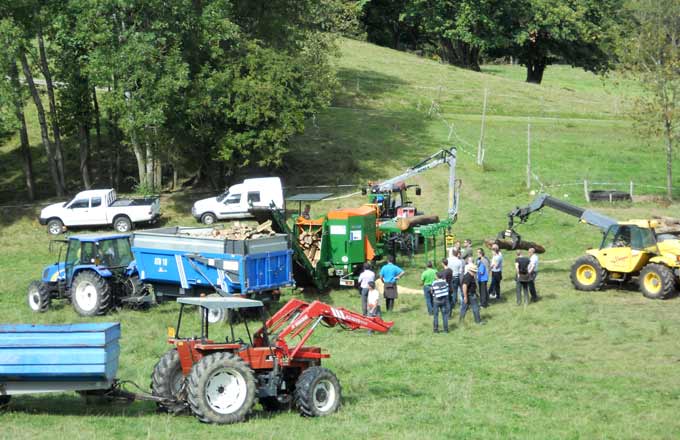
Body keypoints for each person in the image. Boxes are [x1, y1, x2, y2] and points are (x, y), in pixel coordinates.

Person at [448, 249, 464, 316]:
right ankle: (454, 303)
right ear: (457, 254)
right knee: (455, 291)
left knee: (450, 291)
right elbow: (460, 271)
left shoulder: (448, 259)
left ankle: (451, 304)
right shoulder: (459, 261)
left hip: (450, 277)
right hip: (456, 277)